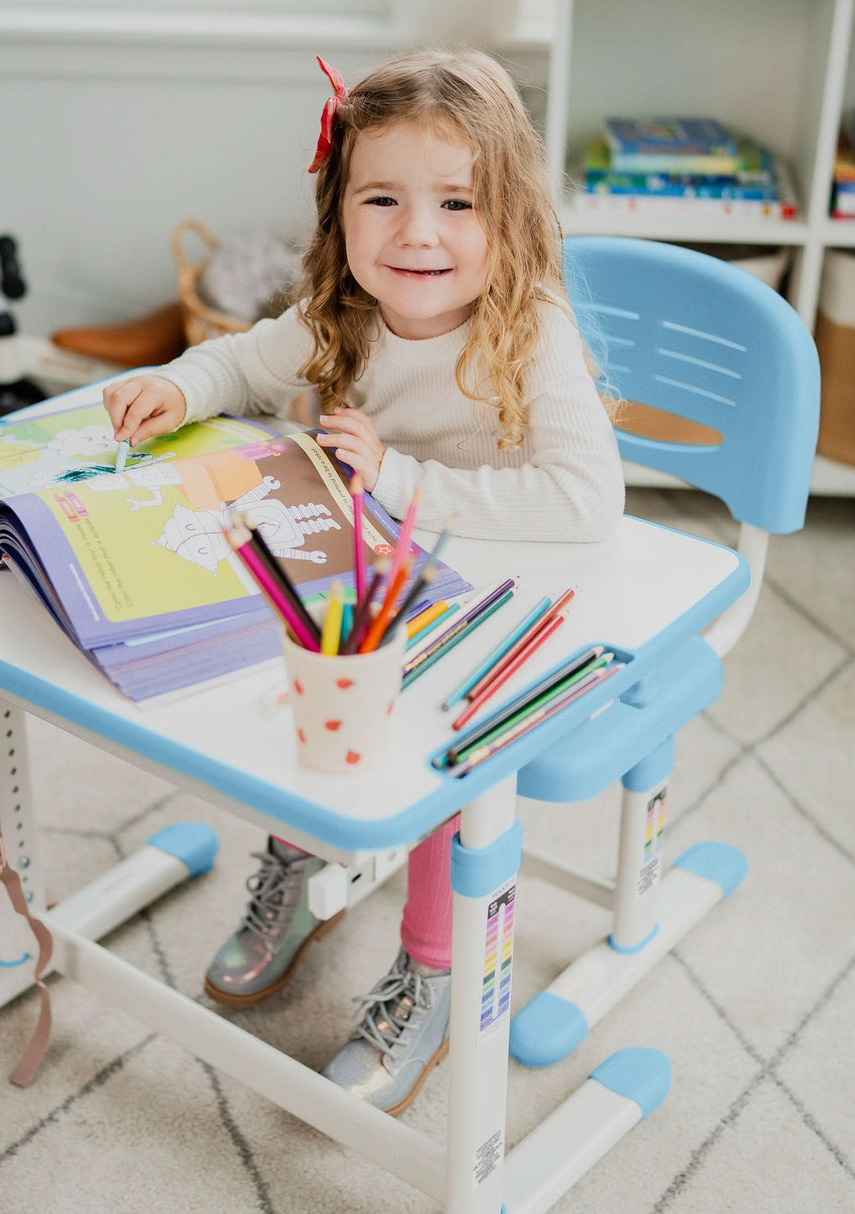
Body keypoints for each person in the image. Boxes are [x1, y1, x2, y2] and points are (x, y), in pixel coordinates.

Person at [103, 48, 625, 1116]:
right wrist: (175, 378)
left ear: (510, 219)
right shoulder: (336, 311)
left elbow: (586, 501)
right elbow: (241, 363)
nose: (416, 233)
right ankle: (300, 867)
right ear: (339, 212)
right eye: (380, 198)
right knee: (300, 698)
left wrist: (399, 477)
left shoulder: (535, 334)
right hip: (371, 596)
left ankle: (430, 971)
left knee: (437, 766)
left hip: (499, 610)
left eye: (455, 202)